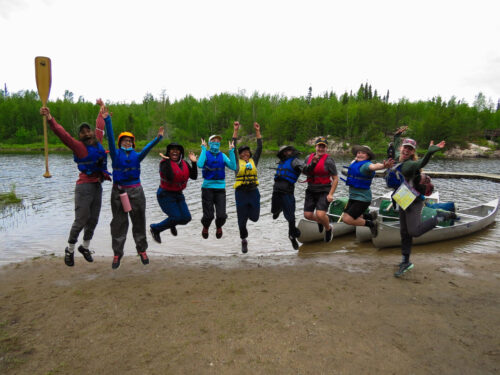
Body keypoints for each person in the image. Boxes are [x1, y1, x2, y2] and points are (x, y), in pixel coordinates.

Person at [40, 100, 110, 267]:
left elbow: (100, 125)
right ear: (79, 136)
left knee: (93, 219)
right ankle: (70, 249)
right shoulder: (79, 147)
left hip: (97, 186)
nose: (86, 133)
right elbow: (62, 134)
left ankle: (84, 247)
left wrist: (101, 109)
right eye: (83, 132)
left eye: (88, 131)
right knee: (81, 220)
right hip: (84, 187)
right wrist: (50, 118)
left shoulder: (98, 141)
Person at [102, 107, 164, 269]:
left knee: (139, 221)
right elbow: (109, 138)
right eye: (124, 141)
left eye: (130, 141)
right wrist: (107, 120)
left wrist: (157, 139)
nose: (127, 142)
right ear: (120, 143)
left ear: (133, 143)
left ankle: (142, 250)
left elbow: (147, 149)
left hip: (136, 191)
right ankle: (117, 253)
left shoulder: (137, 156)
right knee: (118, 223)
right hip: (119, 191)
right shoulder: (115, 155)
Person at [390, 129, 457, 277]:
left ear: (413, 152)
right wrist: (397, 135)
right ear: (402, 148)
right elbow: (394, 146)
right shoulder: (396, 158)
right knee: (404, 232)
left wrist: (430, 152)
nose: (406, 150)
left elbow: (422, 162)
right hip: (402, 199)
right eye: (405, 147)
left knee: (414, 231)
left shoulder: (410, 165)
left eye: (410, 149)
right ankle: (405, 261)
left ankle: (439, 216)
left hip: (414, 201)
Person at [149, 143, 198, 243]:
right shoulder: (164, 163)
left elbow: (194, 176)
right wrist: (167, 161)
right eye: (172, 150)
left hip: (178, 194)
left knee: (186, 218)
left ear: (181, 152)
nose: (175, 151)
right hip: (165, 195)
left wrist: (194, 163)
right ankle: (155, 228)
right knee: (176, 217)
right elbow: (170, 178)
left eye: (177, 150)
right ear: (168, 152)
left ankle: (172, 223)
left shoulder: (184, 163)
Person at [341, 145, 394, 235]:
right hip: (353, 197)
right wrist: (358, 156)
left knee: (347, 219)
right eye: (358, 152)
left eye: (363, 153)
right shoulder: (354, 162)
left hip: (362, 199)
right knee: (345, 216)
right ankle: (370, 216)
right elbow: (355, 159)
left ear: (368, 156)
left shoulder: (366, 165)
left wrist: (383, 166)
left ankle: (372, 224)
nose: (360, 154)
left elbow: (374, 166)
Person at [197, 132, 237, 239]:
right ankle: (206, 226)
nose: (216, 143)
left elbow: (233, 167)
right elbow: (200, 164)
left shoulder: (222, 156)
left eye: (218, 141)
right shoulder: (205, 154)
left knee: (222, 215)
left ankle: (219, 226)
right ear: (210, 143)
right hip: (207, 189)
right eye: (213, 141)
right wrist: (203, 149)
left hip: (220, 189)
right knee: (209, 216)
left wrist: (231, 152)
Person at [232, 121, 262, 253]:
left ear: (249, 153)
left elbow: (260, 147)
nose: (245, 154)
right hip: (241, 193)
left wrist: (257, 131)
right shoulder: (235, 163)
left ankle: (249, 212)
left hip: (253, 192)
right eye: (242, 152)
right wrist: (236, 130)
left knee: (255, 218)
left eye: (247, 152)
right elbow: (232, 147)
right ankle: (244, 240)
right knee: (241, 222)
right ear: (239, 155)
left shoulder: (253, 161)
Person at [302, 137, 339, 242]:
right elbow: (304, 171)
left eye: (323, 147)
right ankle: (320, 221)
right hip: (311, 189)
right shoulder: (308, 157)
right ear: (315, 147)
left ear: (326, 148)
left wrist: (331, 194)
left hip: (324, 190)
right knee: (307, 215)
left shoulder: (329, 161)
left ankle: (328, 228)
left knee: (320, 214)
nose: (321, 149)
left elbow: (335, 179)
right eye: (319, 146)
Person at [271, 145, 304, 250]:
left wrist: (310, 166)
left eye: (289, 150)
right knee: (274, 212)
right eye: (285, 151)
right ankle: (278, 209)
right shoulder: (282, 162)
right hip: (276, 189)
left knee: (291, 218)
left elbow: (305, 168)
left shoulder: (295, 161)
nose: (287, 152)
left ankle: (292, 236)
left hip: (287, 192)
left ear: (292, 151)